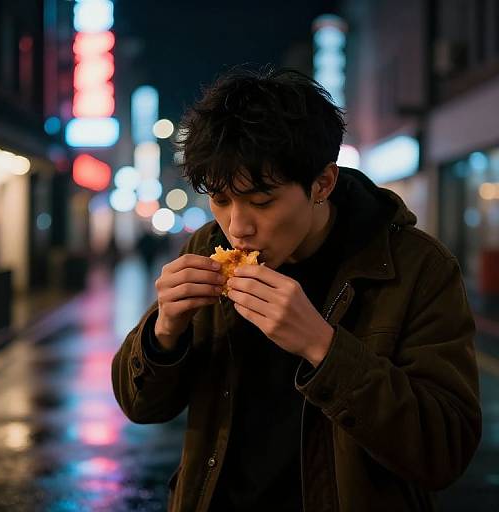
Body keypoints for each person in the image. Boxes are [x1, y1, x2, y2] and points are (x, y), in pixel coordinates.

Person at [111, 66, 481, 512]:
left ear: (322, 183)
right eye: (221, 200)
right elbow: (141, 406)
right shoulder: (207, 246)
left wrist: (323, 348)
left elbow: (445, 451)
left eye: (262, 202)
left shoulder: (415, 267)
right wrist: (164, 332)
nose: (237, 227)